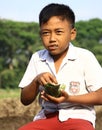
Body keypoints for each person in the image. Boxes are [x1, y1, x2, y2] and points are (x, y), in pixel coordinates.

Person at [18, 3, 102, 130]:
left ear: (72, 34)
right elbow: (24, 99)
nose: (52, 38)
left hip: (78, 118)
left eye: (58, 32)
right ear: (40, 34)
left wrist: (68, 98)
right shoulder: (37, 58)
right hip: (46, 118)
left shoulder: (85, 56)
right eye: (46, 33)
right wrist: (36, 81)